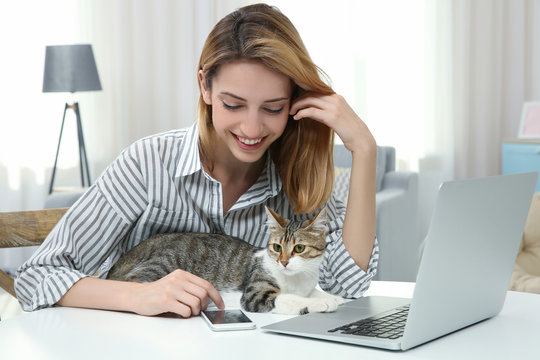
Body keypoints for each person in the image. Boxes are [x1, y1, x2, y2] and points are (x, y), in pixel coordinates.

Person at [15, 3, 378, 318]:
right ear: (205, 87)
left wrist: (363, 148)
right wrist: (139, 295)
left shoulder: (295, 175)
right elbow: (36, 278)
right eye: (233, 105)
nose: (251, 128)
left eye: (273, 108)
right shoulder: (149, 164)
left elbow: (349, 285)